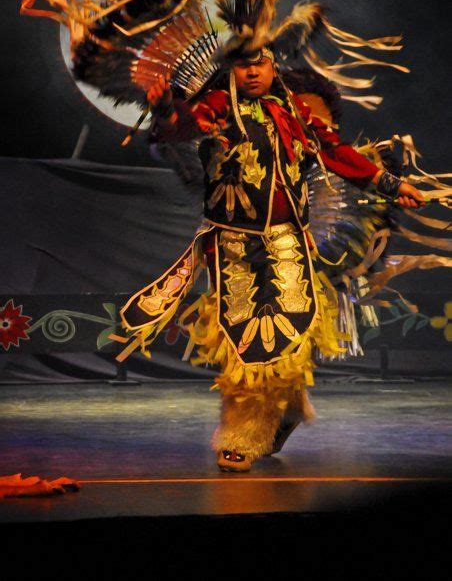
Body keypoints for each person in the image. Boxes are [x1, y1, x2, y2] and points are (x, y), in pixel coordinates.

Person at [119, 47, 424, 472]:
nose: (251, 73)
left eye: (258, 63)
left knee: (290, 333)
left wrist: (389, 183)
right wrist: (166, 107)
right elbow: (180, 128)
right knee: (243, 341)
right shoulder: (216, 106)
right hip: (234, 244)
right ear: (232, 69)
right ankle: (242, 436)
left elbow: (334, 150)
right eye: (242, 65)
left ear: (272, 66)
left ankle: (283, 411)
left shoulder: (293, 111)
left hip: (287, 240)